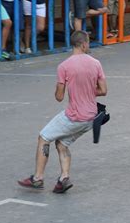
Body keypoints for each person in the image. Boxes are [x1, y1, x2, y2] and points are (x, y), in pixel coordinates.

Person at [18, 30, 108, 194]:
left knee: (44, 137)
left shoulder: (64, 66)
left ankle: (37, 178)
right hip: (90, 117)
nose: (88, 46)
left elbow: (59, 97)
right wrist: (88, 90)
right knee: (62, 144)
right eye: (87, 43)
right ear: (83, 44)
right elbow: (103, 90)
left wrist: (68, 88)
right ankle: (63, 178)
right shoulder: (96, 63)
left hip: (74, 116)